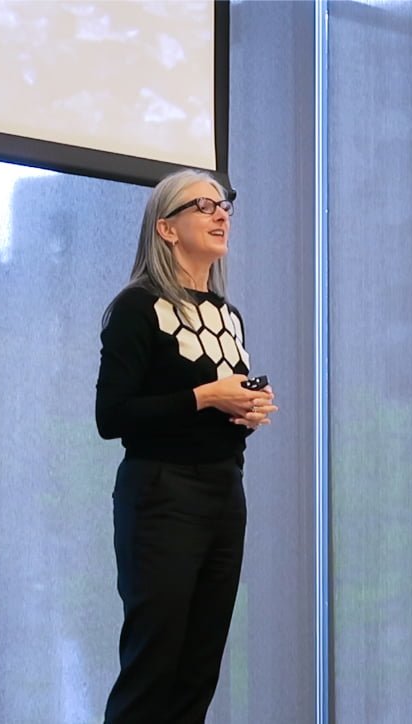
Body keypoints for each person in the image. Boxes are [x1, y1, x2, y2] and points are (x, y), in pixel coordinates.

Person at [95, 168, 277, 723]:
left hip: (224, 494)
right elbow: (113, 416)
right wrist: (205, 396)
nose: (222, 214)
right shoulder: (136, 308)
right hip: (161, 497)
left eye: (225, 205)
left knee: (199, 670)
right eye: (205, 206)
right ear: (167, 228)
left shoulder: (228, 315)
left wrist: (245, 410)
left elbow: (216, 412)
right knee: (154, 667)